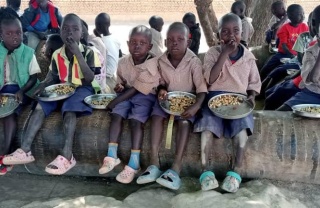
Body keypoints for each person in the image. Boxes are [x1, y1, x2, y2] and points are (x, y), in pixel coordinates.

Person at [3, 13, 101, 175]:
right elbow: (52, 76)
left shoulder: (89, 53)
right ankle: (25, 149)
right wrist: (43, 84)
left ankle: (67, 155)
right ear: (60, 32)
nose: (70, 33)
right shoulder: (57, 55)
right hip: (62, 88)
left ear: (81, 33)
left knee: (70, 109)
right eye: (65, 29)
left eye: (74, 29)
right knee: (41, 104)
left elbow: (90, 78)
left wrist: (77, 53)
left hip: (83, 88)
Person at [194, 13, 261, 193]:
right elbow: (209, 78)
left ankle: (236, 171)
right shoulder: (212, 53)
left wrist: (252, 96)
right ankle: (205, 171)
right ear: (217, 36)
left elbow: (254, 82)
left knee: (243, 126)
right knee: (207, 126)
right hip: (213, 100)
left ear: (242, 34)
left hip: (238, 102)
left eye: (236, 31)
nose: (231, 35)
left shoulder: (248, 57)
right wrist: (223, 54)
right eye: (225, 31)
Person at [136, 22, 207, 190]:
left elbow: (202, 88)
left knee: (184, 122)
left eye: (180, 39)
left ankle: (176, 167)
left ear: (188, 43)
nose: (175, 43)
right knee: (155, 116)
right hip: (167, 101)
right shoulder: (160, 61)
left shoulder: (194, 62)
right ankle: (154, 163)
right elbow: (160, 82)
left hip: (187, 103)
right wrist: (161, 90)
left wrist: (196, 106)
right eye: (170, 40)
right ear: (166, 42)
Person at [98, 25, 161, 184]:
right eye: (133, 42)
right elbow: (122, 83)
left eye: (142, 43)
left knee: (135, 121)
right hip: (126, 94)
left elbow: (137, 89)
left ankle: (134, 162)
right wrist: (118, 87)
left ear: (150, 46)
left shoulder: (153, 64)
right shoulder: (123, 62)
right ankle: (112, 155)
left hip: (146, 96)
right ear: (127, 44)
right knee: (117, 115)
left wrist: (114, 101)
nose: (137, 46)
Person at [0, 7, 40, 175]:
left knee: (9, 115)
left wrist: (23, 91)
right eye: (9, 34)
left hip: (24, 90)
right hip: (4, 91)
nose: (15, 37)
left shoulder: (28, 53)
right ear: (0, 35)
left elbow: (34, 77)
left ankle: (4, 154)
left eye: (18, 32)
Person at [277, 6, 320, 111]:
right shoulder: (312, 50)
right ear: (315, 25)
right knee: (282, 111)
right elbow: (312, 79)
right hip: (314, 94)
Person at [261, 12, 314, 94]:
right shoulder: (303, 36)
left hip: (306, 69)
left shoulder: (305, 30)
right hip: (297, 62)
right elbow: (299, 57)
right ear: (309, 23)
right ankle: (262, 90)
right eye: (314, 24)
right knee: (277, 70)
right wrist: (294, 57)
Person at [260, 4, 308, 81]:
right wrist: (291, 56)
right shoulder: (284, 28)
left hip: (298, 56)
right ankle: (260, 81)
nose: (303, 16)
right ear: (291, 16)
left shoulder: (304, 27)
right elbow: (284, 46)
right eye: (300, 14)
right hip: (284, 54)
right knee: (268, 66)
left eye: (303, 13)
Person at [94, 13, 121, 94]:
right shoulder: (115, 39)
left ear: (97, 26)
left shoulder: (100, 42)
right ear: (109, 24)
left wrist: (97, 37)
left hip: (106, 77)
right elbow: (119, 54)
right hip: (113, 75)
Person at [81, 19, 107, 93]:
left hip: (96, 90)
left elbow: (94, 81)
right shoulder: (97, 41)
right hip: (102, 85)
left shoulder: (90, 53)